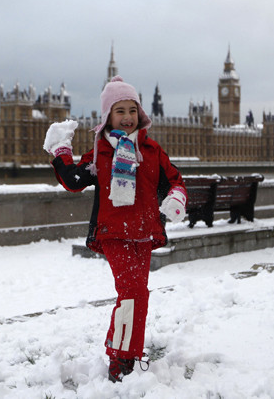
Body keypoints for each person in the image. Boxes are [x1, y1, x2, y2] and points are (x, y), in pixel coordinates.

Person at [43, 75, 187, 383]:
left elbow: (174, 179)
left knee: (139, 296)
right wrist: (60, 150)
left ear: (140, 114)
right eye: (119, 111)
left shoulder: (151, 151)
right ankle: (119, 361)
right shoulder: (101, 154)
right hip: (113, 233)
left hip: (144, 232)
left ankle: (128, 355)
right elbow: (73, 180)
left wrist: (175, 197)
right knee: (131, 291)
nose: (127, 117)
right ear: (108, 115)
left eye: (132, 110)